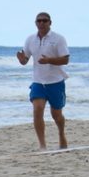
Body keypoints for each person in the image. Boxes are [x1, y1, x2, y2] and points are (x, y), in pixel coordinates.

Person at [16, 12, 69, 150]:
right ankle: (42, 145)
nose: (42, 23)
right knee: (37, 109)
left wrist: (49, 60)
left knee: (56, 115)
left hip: (56, 82)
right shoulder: (30, 39)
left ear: (50, 23)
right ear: (35, 23)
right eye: (39, 21)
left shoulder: (58, 39)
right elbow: (25, 60)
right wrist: (22, 60)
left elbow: (65, 59)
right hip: (38, 82)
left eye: (45, 21)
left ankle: (62, 136)